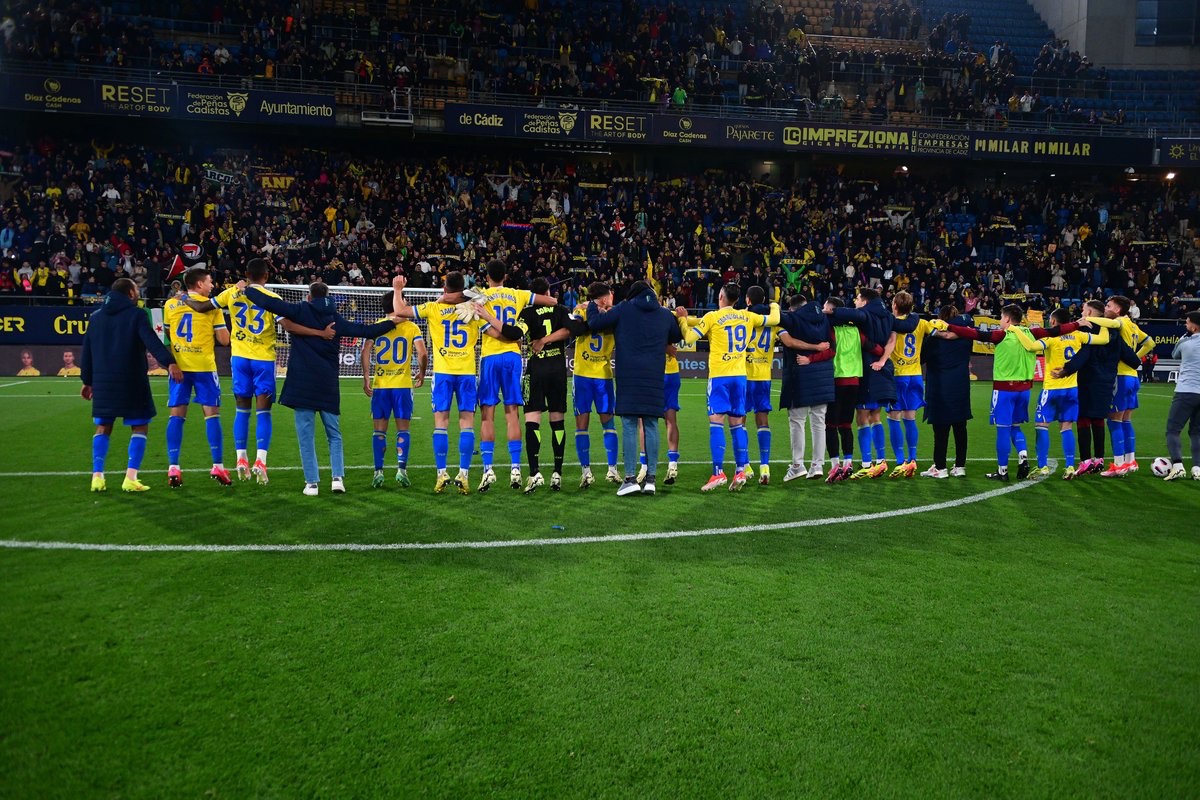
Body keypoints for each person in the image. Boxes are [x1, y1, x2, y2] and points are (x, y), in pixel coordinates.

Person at [244, 280, 399, 495]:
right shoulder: (335, 318)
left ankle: (312, 484)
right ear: (328, 296)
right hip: (327, 383)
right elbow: (366, 330)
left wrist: (247, 289)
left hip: (302, 383)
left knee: (306, 436)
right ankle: (337, 479)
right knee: (334, 434)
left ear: (309, 296)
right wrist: (393, 322)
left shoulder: (300, 310)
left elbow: (267, 302)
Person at [192, 258, 332, 485]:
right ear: (266, 277)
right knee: (264, 413)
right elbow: (288, 326)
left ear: (246, 274)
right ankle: (260, 461)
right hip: (263, 361)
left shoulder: (231, 293)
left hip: (238, 359)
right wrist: (319, 334)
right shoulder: (272, 298)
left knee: (241, 410)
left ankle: (240, 459)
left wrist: (182, 299)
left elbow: (201, 306)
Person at [945, 306, 1079, 480]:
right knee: (1016, 426)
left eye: (1001, 317)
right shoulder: (1032, 333)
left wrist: (947, 326)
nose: (1000, 321)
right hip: (1024, 390)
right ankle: (1022, 455)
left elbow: (973, 333)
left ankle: (1002, 471)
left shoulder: (1002, 335)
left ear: (1007, 319)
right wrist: (1077, 324)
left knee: (1003, 429)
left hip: (1004, 390)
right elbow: (1057, 330)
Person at [80, 277, 182, 492]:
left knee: (103, 426)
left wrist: (87, 381)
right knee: (140, 425)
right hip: (131, 381)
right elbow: (151, 341)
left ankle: (97, 477)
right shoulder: (136, 314)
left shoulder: (96, 317)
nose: (138, 294)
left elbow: (87, 350)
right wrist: (170, 362)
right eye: (136, 290)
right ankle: (130, 477)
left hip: (104, 382)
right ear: (129, 293)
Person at [676, 283, 780, 491]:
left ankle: (718, 473)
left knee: (716, 423)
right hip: (740, 377)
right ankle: (741, 470)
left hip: (720, 377)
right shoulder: (747, 316)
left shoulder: (713, 317)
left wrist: (681, 319)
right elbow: (775, 319)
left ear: (721, 295)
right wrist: (775, 304)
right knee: (736, 424)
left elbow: (688, 338)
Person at [585, 281, 683, 495]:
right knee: (651, 425)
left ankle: (630, 479)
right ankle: (651, 480)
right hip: (655, 377)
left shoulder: (623, 308)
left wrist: (593, 303)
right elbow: (676, 336)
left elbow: (594, 322)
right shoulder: (665, 314)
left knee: (629, 424)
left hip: (628, 377)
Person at [475, 258, 556, 491]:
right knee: (512, 413)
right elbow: (550, 300)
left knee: (487, 414)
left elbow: (458, 296)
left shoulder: (480, 295)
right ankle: (515, 470)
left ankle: (488, 470)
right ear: (506, 276)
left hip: (489, 357)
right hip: (513, 357)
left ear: (487, 277)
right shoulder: (518, 294)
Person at [1009, 309, 1110, 479]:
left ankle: (1043, 467)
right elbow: (1104, 339)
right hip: (1071, 389)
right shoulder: (1079, 335)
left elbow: (1030, 346)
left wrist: (1015, 329)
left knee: (1041, 426)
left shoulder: (1051, 337)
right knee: (1066, 428)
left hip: (1052, 390)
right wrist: (1107, 322)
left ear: (1054, 322)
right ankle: (1070, 467)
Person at [516, 277, 586, 493]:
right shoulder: (561, 309)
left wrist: (538, 341)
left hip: (535, 370)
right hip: (557, 369)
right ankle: (557, 473)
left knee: (532, 419)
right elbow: (572, 329)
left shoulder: (526, 313)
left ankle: (534, 472)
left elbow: (518, 336)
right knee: (557, 420)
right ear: (547, 292)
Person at [162, 267, 231, 487]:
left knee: (176, 416)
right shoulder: (212, 308)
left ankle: (173, 468)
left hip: (179, 367)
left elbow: (167, 334)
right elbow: (224, 340)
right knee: (211, 415)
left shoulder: (170, 304)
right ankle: (218, 467)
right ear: (199, 284)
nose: (212, 286)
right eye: (210, 282)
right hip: (204, 367)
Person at [1058, 299, 1142, 474]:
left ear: (1089, 313)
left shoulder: (1086, 328)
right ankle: (1099, 460)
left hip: (1087, 381)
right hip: (1107, 383)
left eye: (1083, 310)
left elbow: (1084, 354)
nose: (1081, 313)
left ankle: (1086, 460)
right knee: (1098, 420)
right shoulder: (1115, 334)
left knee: (1083, 419)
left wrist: (1067, 370)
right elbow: (1133, 360)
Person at [827, 287, 903, 479]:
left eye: (858, 299)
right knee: (876, 415)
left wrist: (830, 311)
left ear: (865, 301)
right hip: (882, 368)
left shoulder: (865, 315)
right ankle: (881, 461)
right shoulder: (887, 316)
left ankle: (868, 463)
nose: (855, 302)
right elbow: (904, 328)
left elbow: (847, 313)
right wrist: (883, 357)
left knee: (861, 415)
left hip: (866, 370)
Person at [361, 283, 427, 488]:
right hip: (402, 385)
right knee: (403, 430)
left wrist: (366, 377)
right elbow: (423, 353)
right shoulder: (411, 327)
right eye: (402, 300)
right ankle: (401, 470)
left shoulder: (377, 326)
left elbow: (365, 351)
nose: (405, 303)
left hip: (381, 385)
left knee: (379, 431)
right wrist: (422, 372)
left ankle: (378, 473)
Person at [1084, 296, 1156, 476]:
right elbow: (1150, 343)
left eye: (1108, 306)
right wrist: (1135, 357)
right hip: (1133, 377)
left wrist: (1087, 319)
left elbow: (1114, 326)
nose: (1106, 308)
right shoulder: (1132, 324)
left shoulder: (1119, 322)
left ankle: (1118, 465)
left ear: (1117, 310)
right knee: (1126, 420)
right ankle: (1130, 461)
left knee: (1114, 421)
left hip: (1121, 377)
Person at [885, 291, 946, 478]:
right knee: (910, 417)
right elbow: (940, 333)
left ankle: (900, 461)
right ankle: (912, 459)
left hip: (897, 375)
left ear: (895, 305)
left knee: (893, 416)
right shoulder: (921, 323)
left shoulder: (892, 324)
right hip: (916, 376)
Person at [776, 292, 835, 481]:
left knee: (797, 421)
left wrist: (813, 349)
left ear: (793, 308)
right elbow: (831, 348)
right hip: (823, 377)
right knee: (819, 422)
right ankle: (817, 465)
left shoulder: (793, 319)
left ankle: (797, 465)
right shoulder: (824, 319)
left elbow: (790, 342)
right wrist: (818, 349)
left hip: (800, 375)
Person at [572, 282, 621, 488]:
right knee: (607, 423)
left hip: (584, 375)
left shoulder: (580, 310)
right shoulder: (614, 316)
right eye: (611, 296)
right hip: (601, 376)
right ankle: (611, 470)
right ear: (605, 297)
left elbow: (573, 328)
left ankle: (587, 472)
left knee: (582, 425)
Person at [922, 306, 974, 478]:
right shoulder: (967, 335)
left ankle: (940, 467)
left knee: (941, 429)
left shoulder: (934, 338)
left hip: (939, 386)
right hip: (960, 386)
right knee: (961, 428)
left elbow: (922, 358)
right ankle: (960, 466)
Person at [743, 285, 779, 484]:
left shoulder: (744, 316)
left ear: (748, 300)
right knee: (762, 420)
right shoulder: (773, 321)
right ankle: (765, 466)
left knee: (740, 420)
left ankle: (745, 465)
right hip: (764, 376)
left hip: (745, 375)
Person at [1162, 311, 1200, 481]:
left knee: (1173, 430)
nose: (1186, 325)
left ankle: (1177, 466)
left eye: (1187, 322)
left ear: (1194, 326)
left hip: (1186, 391)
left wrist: (1185, 336)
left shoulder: (1185, 341)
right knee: (1197, 432)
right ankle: (1197, 469)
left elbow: (1174, 355)